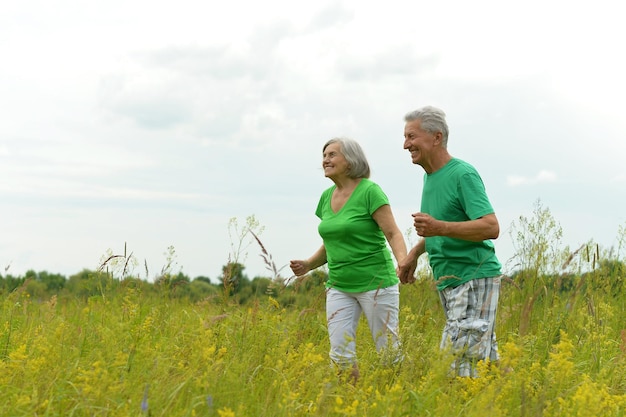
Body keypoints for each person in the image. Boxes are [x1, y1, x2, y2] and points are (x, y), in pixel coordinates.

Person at [290, 137, 407, 383]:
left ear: (351, 161)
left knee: (388, 351)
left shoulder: (369, 191)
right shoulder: (325, 197)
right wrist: (308, 264)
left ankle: (397, 398)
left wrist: (403, 262)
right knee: (340, 354)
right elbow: (333, 241)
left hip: (377, 284)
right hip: (339, 286)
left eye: (332, 154)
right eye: (324, 155)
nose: (325, 160)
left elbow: (393, 233)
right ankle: (350, 401)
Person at [397, 106, 503, 378]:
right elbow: (439, 228)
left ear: (436, 137)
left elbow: (490, 227)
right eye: (405, 137)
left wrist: (438, 227)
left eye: (412, 136)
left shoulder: (462, 174)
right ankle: (523, 401)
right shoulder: (430, 177)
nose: (406, 144)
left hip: (473, 276)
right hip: (449, 280)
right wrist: (415, 253)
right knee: (482, 358)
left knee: (457, 364)